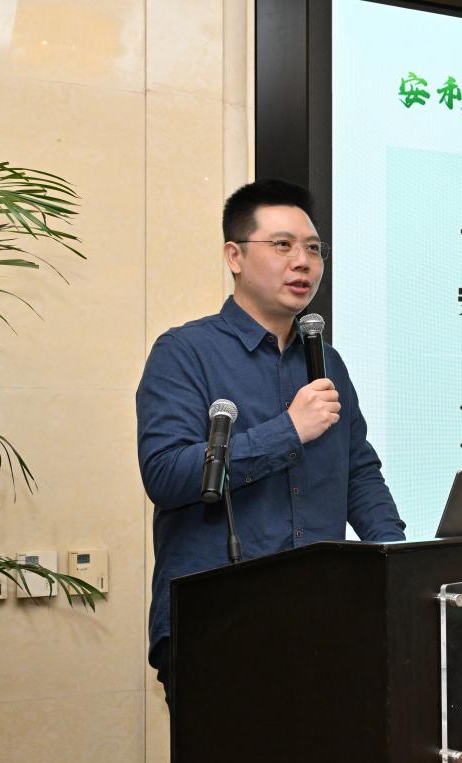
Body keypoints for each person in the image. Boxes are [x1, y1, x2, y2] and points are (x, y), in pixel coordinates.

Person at [136, 179, 406, 702]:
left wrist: (400, 562)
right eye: (282, 245)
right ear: (234, 256)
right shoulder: (184, 352)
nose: (303, 262)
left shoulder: (328, 362)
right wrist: (289, 429)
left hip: (326, 619)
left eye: (314, 249)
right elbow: (166, 474)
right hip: (219, 624)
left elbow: (358, 472)